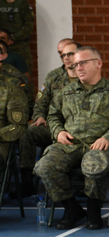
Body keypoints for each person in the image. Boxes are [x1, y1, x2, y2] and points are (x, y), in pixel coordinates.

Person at [35, 47, 109, 230]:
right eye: (76, 64)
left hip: (99, 145)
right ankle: (71, 208)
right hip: (69, 145)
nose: (78, 68)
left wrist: (108, 137)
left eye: (83, 63)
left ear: (98, 63)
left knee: (94, 165)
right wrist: (58, 131)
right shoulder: (66, 91)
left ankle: (93, 210)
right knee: (44, 167)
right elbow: (53, 116)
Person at [16, 39, 79, 198]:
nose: (65, 58)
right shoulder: (54, 76)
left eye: (69, 54)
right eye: (62, 55)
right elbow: (40, 102)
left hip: (79, 128)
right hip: (53, 126)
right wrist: (39, 116)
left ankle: (79, 181)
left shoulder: (86, 74)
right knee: (28, 133)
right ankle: (27, 181)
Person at [0, 0, 35, 71]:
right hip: (1, 43)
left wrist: (13, 38)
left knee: (23, 70)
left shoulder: (22, 4)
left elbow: (28, 25)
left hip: (19, 44)